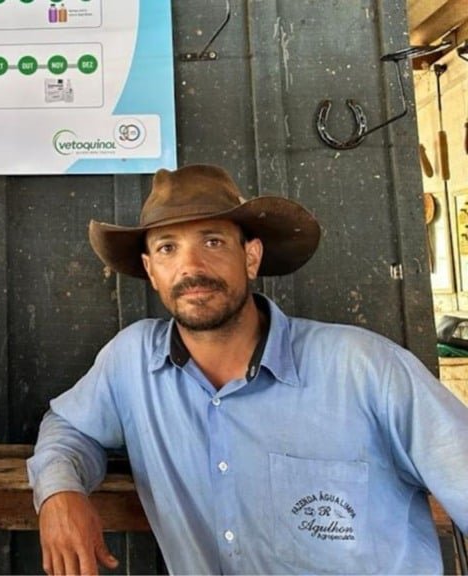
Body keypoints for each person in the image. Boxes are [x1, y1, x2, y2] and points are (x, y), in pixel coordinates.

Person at [27, 163, 468, 574]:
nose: (190, 267)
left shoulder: (365, 369)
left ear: (251, 257)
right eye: (167, 248)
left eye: (213, 242)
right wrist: (60, 492)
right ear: (151, 271)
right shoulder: (133, 362)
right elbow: (69, 427)